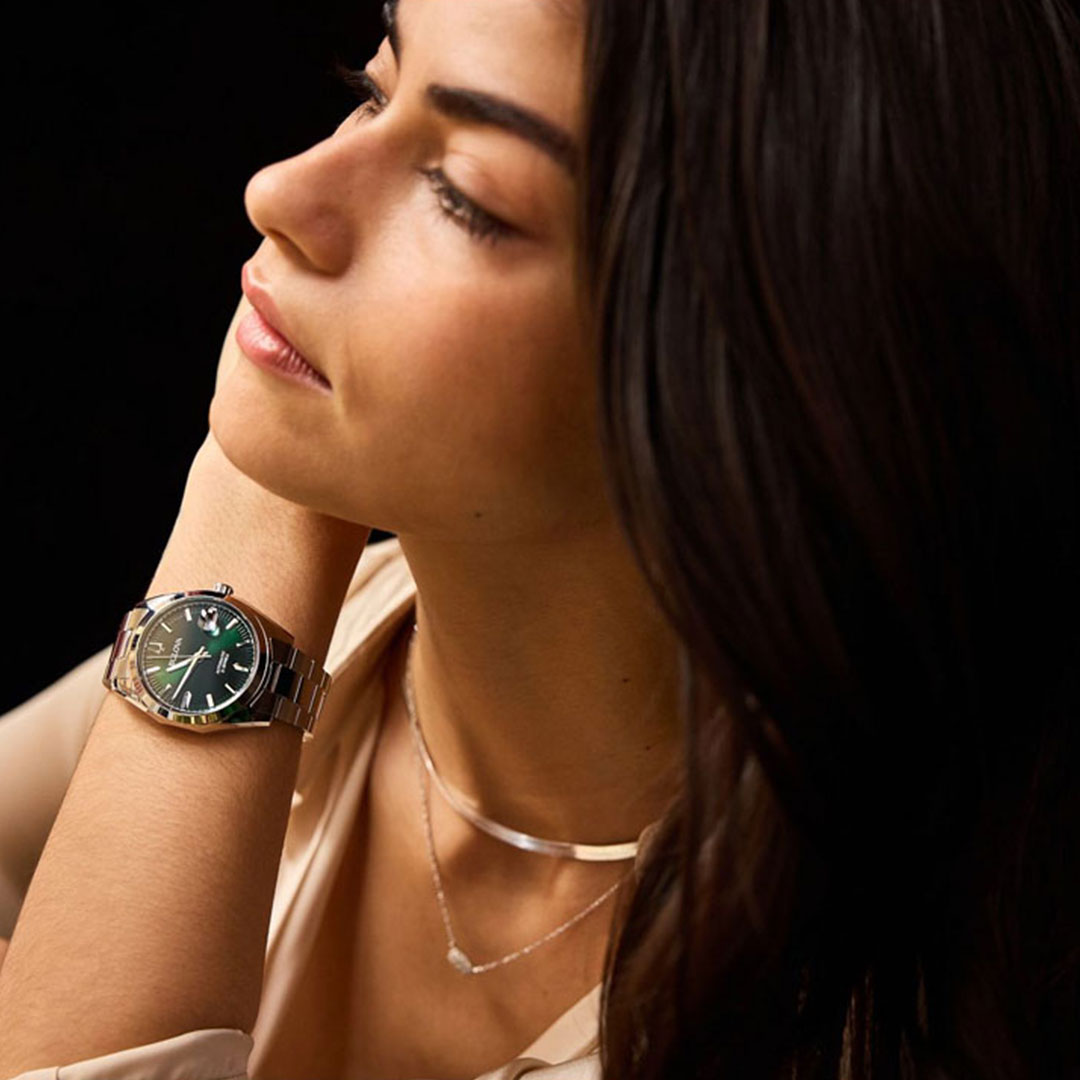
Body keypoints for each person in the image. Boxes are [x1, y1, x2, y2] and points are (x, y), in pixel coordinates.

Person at [1, 0, 1078, 1078]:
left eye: (463, 196)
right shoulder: (348, 632)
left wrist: (245, 499)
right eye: (375, 88)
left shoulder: (860, 1018)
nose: (279, 192)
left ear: (746, 385)